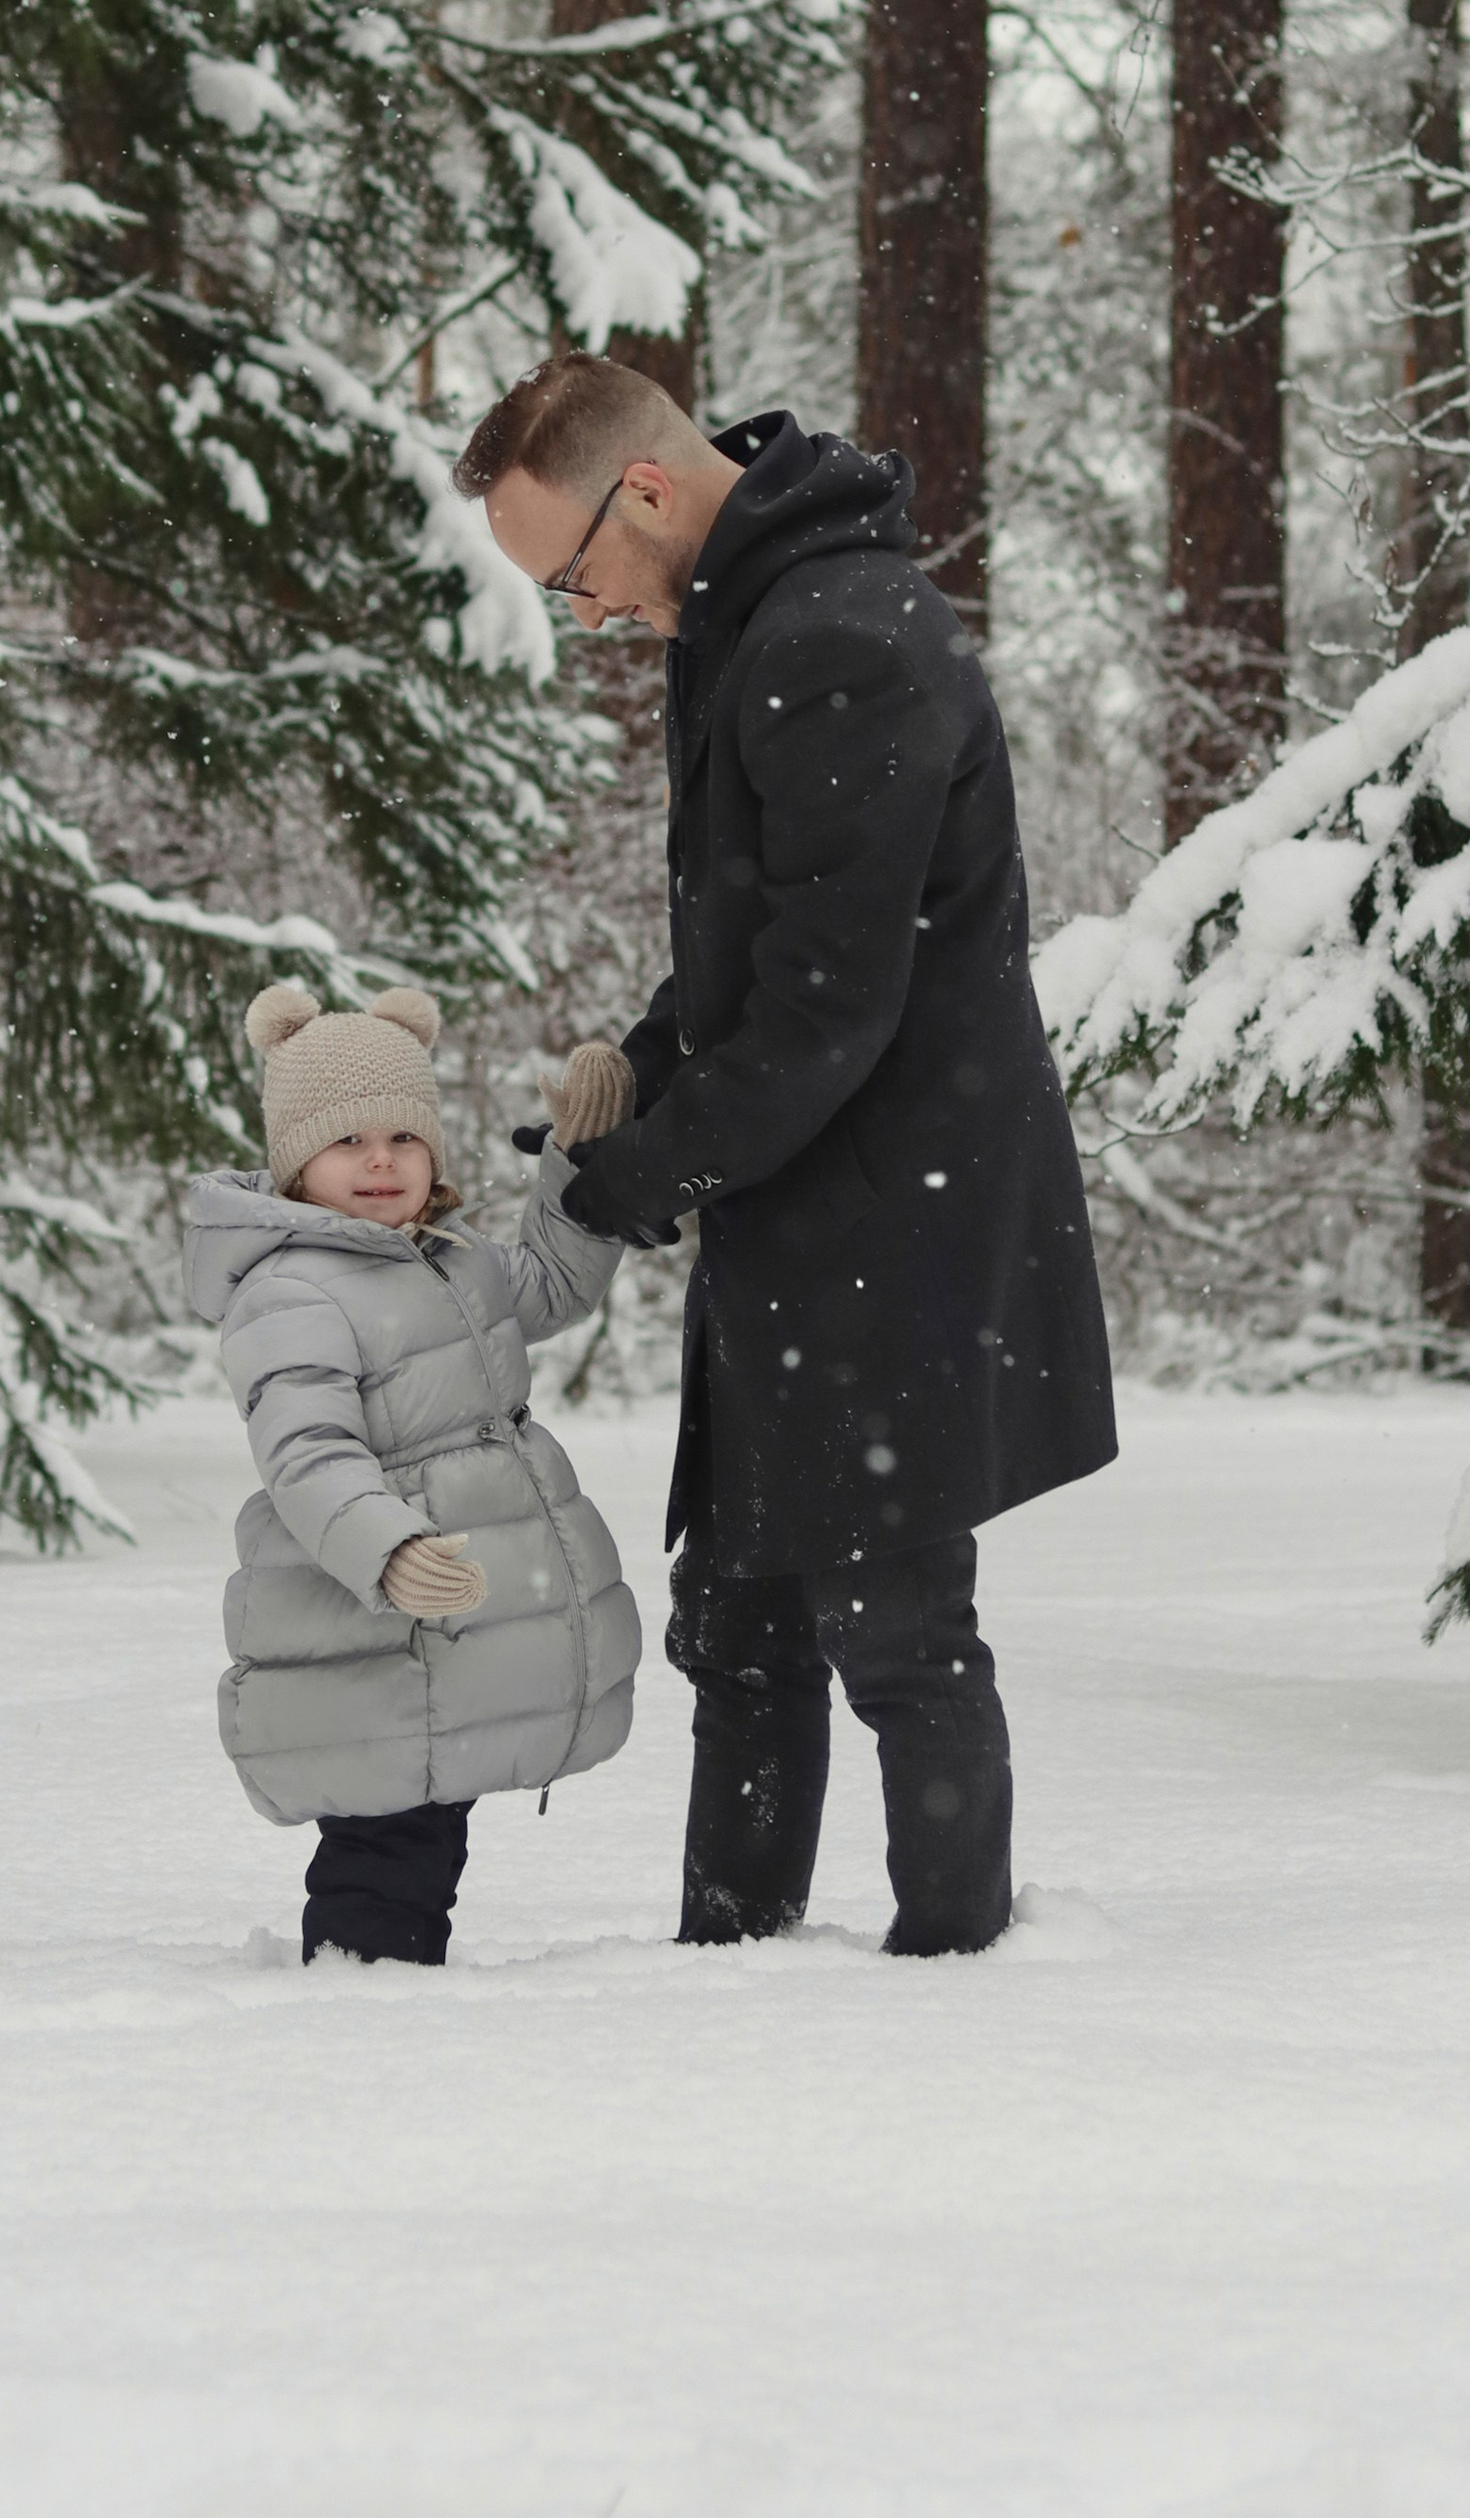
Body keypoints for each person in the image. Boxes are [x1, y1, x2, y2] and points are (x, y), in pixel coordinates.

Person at [460, 353, 1118, 1957]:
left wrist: (632, 1182)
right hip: (800, 1213)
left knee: (897, 1633)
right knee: (741, 1627)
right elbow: (762, 953)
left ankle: (958, 1991)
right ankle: (728, 1978)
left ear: (653, 490)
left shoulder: (840, 641)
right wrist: (647, 1065)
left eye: (577, 576)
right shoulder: (755, 620)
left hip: (888, 1221)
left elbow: (832, 1012)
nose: (592, 618)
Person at [184, 978, 642, 1966]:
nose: (379, 1161)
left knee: (427, 1812)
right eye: (346, 1143)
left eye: (401, 1138)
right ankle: (360, 2016)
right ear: (296, 1162)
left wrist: (576, 1166)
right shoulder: (290, 1289)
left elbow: (553, 1286)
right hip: (365, 1612)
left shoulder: (447, 1257)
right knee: (387, 1827)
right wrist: (386, 1548)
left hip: (437, 1622)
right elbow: (306, 1452)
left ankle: (391, 2002)